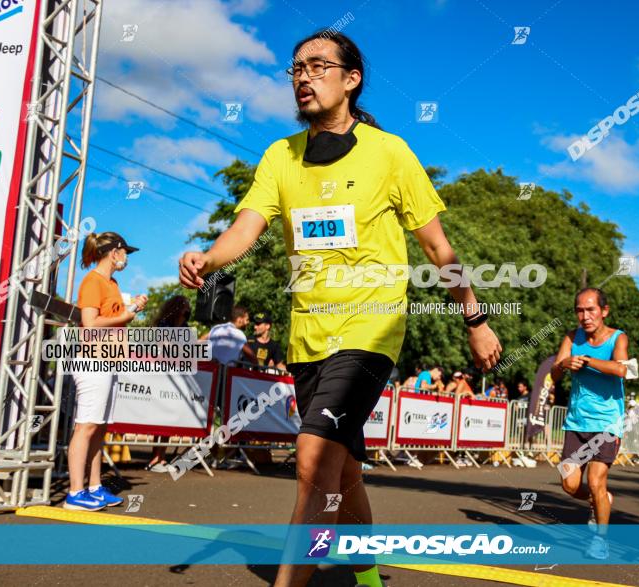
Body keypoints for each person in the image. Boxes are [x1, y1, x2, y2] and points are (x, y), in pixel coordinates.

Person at [178, 30, 501, 587]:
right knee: (343, 470)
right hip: (308, 335)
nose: (303, 76)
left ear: (351, 79)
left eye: (318, 65)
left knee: (312, 461)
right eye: (295, 68)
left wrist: (474, 319)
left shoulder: (390, 153)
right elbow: (244, 230)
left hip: (371, 328)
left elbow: (437, 248)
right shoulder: (281, 157)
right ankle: (367, 572)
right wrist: (206, 257)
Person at [64, 232, 146, 510]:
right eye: (125, 253)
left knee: (98, 427)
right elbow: (89, 323)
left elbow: (109, 316)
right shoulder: (93, 281)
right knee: (86, 426)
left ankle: (95, 487)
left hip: (107, 362)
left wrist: (129, 306)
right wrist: (125, 315)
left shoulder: (111, 282)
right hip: (92, 362)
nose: (126, 258)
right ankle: (76, 492)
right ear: (115, 252)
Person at [552, 287, 628, 560]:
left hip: (608, 423)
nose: (585, 316)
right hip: (576, 422)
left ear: (604, 311)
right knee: (569, 484)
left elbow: (623, 369)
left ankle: (600, 539)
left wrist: (586, 361)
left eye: (591, 310)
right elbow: (555, 374)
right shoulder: (572, 337)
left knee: (596, 481)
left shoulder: (617, 338)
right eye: (580, 311)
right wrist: (564, 364)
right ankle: (602, 501)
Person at [146, 295, 191, 473]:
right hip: (159, 374)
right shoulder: (164, 324)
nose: (187, 311)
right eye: (185, 307)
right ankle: (156, 458)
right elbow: (164, 345)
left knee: (168, 416)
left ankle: (161, 457)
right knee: (160, 415)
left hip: (177, 376)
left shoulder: (185, 327)